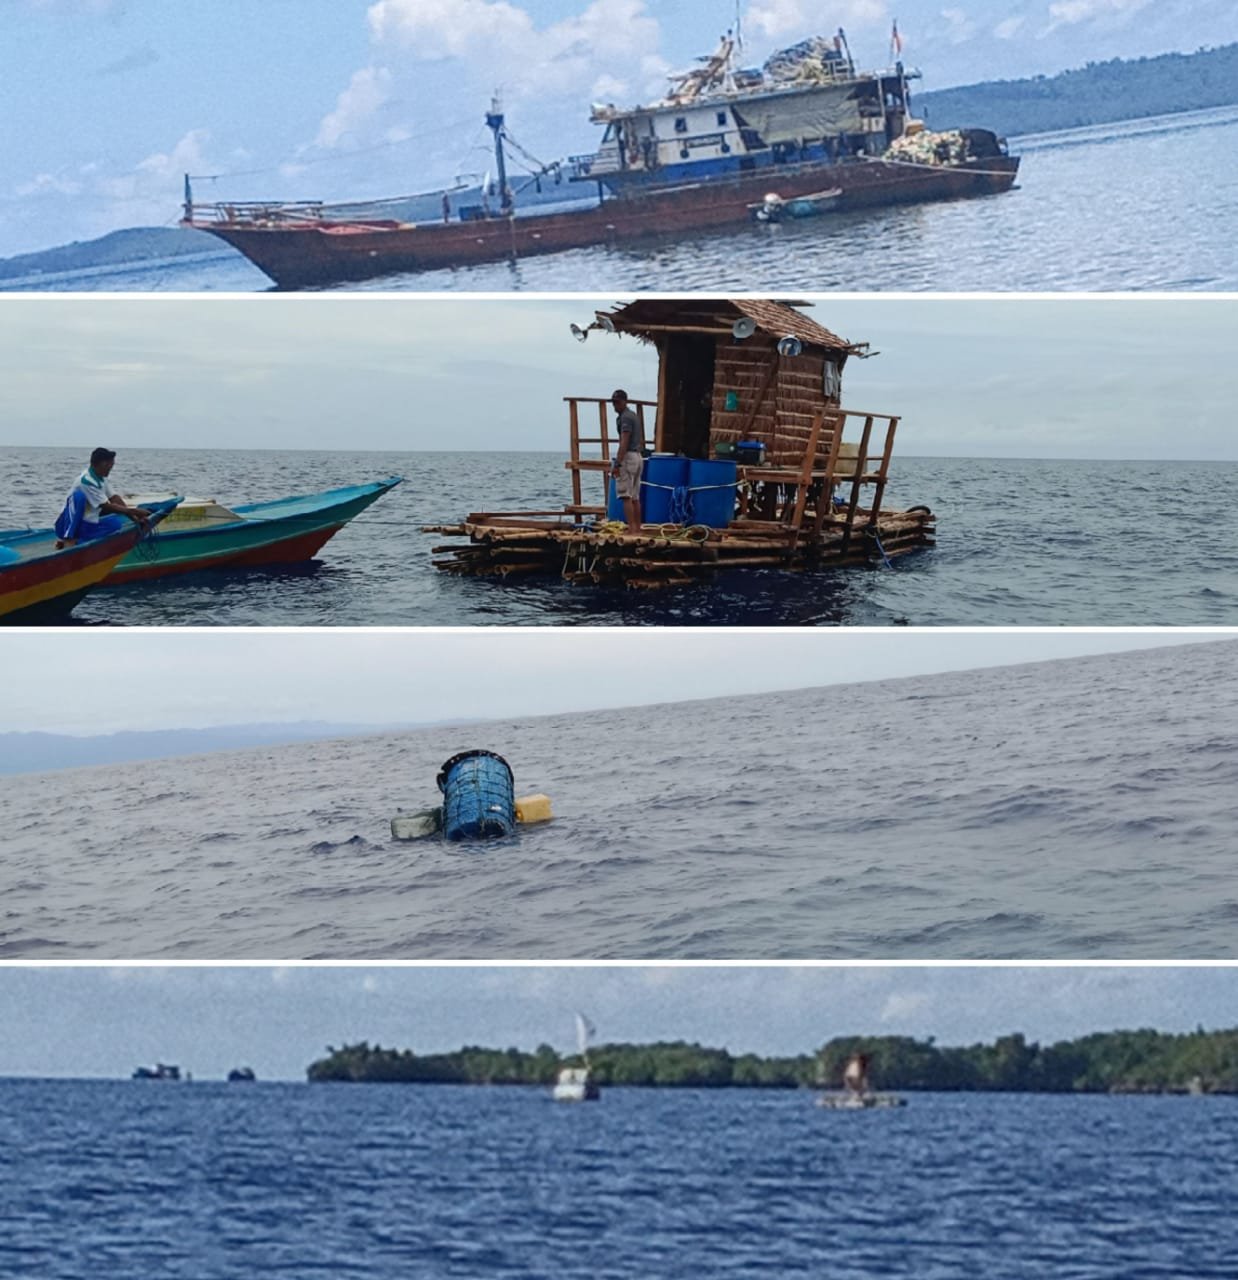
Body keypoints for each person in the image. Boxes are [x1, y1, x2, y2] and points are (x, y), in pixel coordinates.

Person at [54, 447, 151, 547]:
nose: (111, 468)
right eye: (110, 465)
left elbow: (114, 498)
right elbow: (106, 506)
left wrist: (134, 518)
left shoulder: (102, 478)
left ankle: (75, 541)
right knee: (79, 497)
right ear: (103, 464)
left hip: (86, 524)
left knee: (115, 524)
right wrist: (135, 511)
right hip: (65, 526)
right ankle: (68, 538)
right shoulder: (85, 481)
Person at [609, 389, 644, 533]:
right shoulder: (633, 416)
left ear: (625, 401)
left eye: (617, 402)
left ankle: (632, 529)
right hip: (638, 457)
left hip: (628, 457)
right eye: (613, 403)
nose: (615, 406)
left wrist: (617, 463)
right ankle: (637, 528)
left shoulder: (626, 418)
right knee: (635, 496)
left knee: (626, 496)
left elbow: (624, 441)